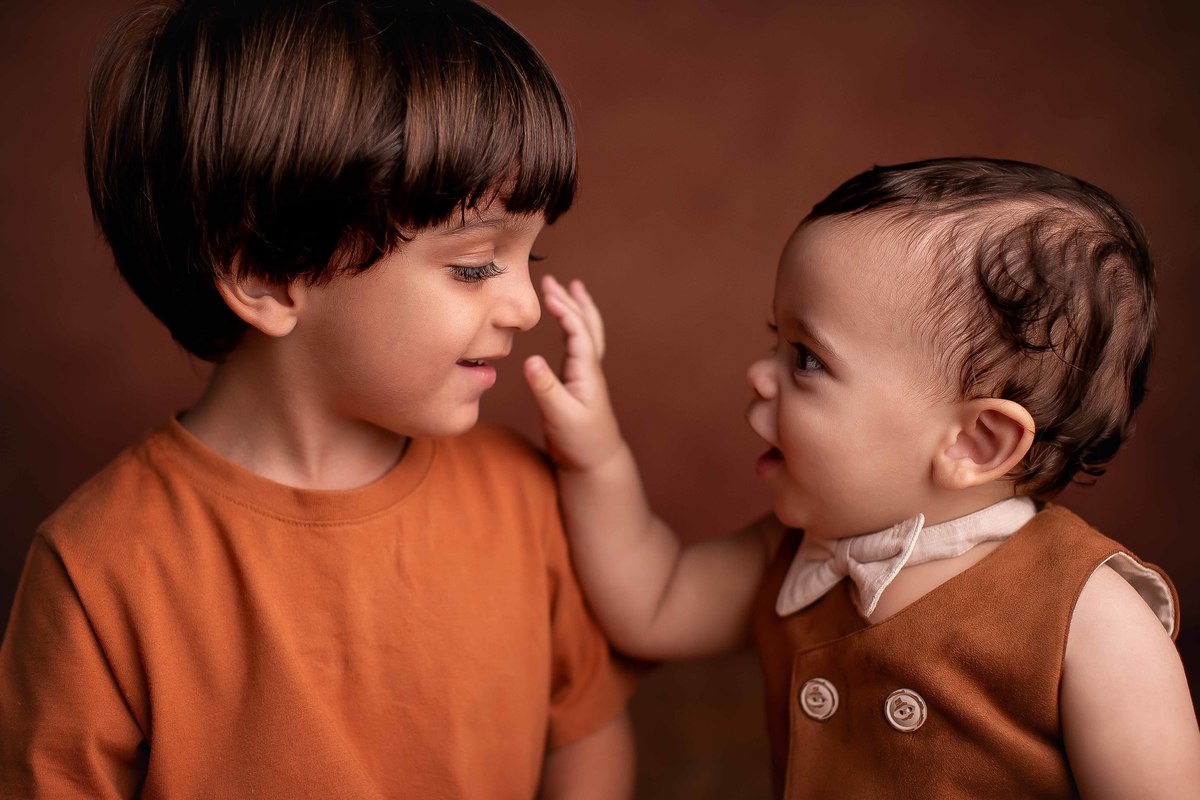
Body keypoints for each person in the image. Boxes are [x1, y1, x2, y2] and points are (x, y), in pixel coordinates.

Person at [0, 1, 634, 797]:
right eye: (475, 264)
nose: (527, 305)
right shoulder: (99, 569)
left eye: (531, 255)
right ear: (268, 274)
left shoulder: (523, 498)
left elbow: (585, 730)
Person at [524, 157, 1200, 797]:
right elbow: (651, 605)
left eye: (808, 359)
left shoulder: (1091, 617)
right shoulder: (797, 554)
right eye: (776, 342)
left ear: (974, 440)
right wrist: (596, 455)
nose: (760, 375)